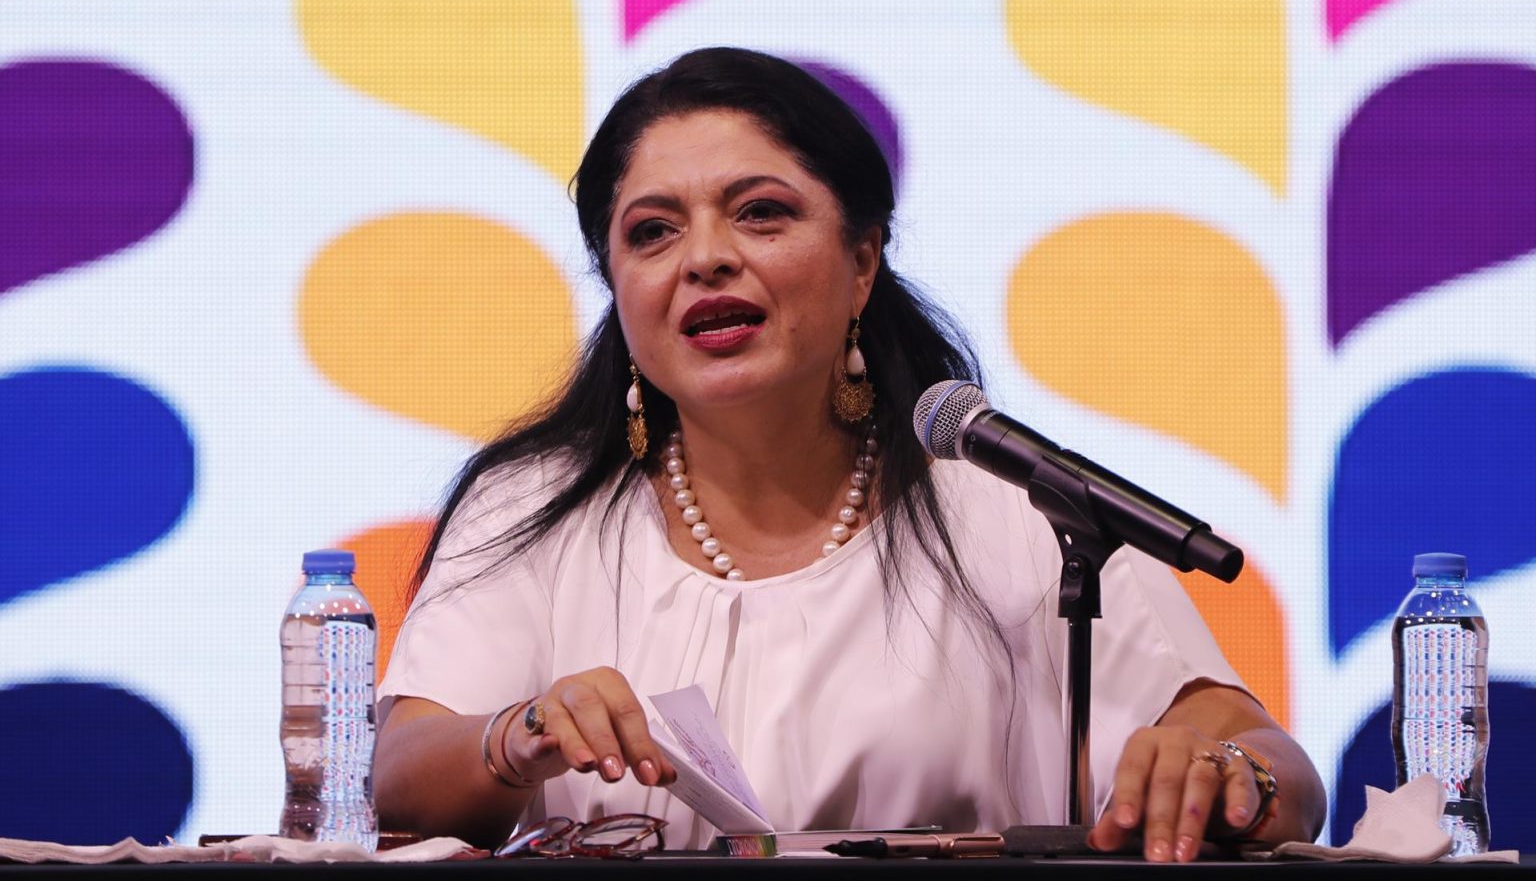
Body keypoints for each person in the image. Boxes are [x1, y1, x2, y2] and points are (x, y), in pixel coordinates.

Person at [373, 47, 1325, 860]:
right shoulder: (534, 506)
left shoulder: (1011, 510)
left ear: (863, 259)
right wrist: (519, 735)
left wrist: (1219, 769)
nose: (704, 257)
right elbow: (403, 779)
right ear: (617, 288)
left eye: (760, 213)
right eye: (653, 232)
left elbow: (1272, 765)